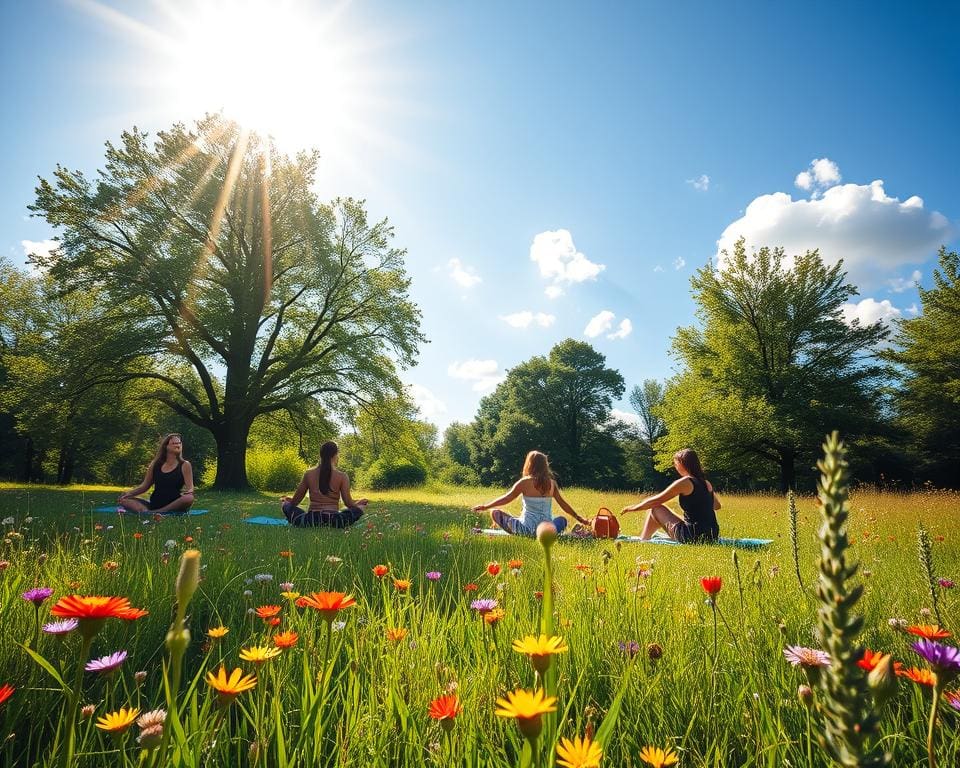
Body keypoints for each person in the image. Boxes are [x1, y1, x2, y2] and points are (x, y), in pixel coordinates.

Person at [472, 450, 589, 536]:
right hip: (545, 530)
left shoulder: (524, 482)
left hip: (525, 530)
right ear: (545, 466)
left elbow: (507, 498)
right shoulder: (552, 483)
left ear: (530, 464)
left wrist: (486, 507)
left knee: (495, 512)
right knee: (562, 520)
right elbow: (563, 504)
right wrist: (579, 518)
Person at [621, 448, 720, 542]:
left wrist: (633, 508)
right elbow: (716, 506)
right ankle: (645, 538)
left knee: (656, 509)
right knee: (670, 514)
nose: (675, 467)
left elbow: (656, 501)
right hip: (712, 536)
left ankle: (644, 540)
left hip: (692, 536)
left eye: (676, 463)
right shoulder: (706, 483)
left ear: (682, 464)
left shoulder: (685, 482)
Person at [281, 441, 368, 528]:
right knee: (360, 508)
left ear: (320, 455)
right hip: (336, 521)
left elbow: (295, 502)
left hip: (310, 521)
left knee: (285, 505)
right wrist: (358, 504)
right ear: (335, 455)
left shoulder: (309, 474)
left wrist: (287, 501)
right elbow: (348, 504)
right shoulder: (342, 476)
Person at [118, 434, 195, 514]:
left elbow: (190, 487)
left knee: (189, 498)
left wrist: (189, 491)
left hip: (174, 503)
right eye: (174, 443)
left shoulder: (185, 464)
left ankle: (159, 511)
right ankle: (147, 511)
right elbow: (144, 486)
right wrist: (129, 493)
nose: (178, 445)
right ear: (166, 447)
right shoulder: (155, 465)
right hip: (155, 503)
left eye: (179, 443)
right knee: (124, 500)